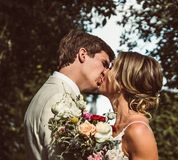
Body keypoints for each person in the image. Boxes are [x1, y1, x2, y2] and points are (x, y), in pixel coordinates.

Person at [24, 30, 115, 160]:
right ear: (83, 54)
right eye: (104, 64)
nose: (106, 73)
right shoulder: (58, 99)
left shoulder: (54, 92)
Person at [98, 51, 163, 160]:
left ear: (124, 80)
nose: (104, 71)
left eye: (111, 67)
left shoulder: (138, 131)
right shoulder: (114, 127)